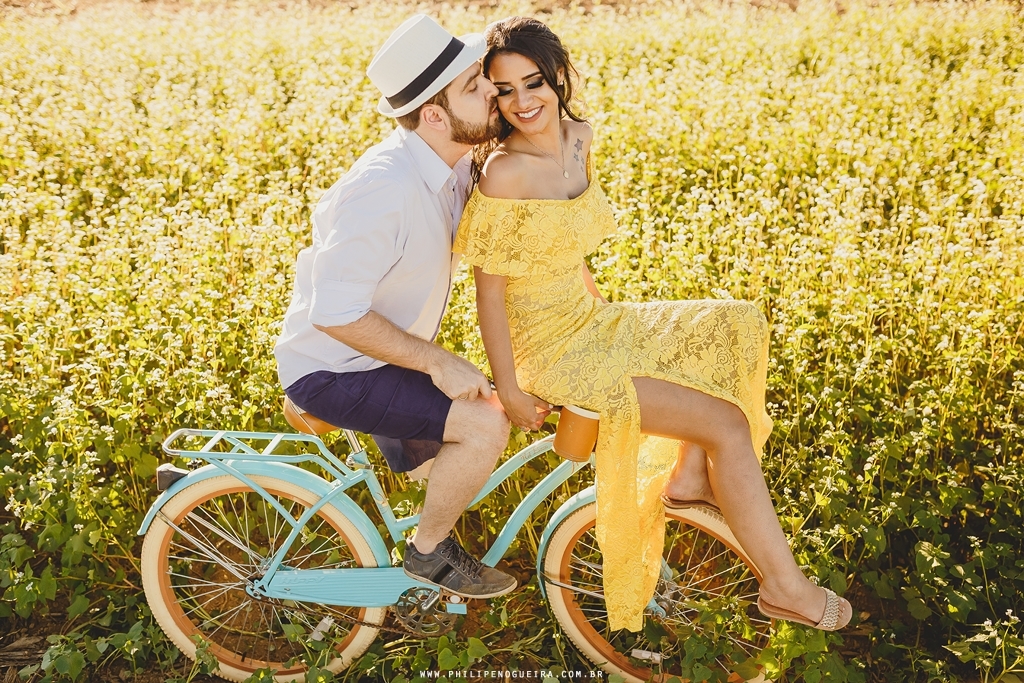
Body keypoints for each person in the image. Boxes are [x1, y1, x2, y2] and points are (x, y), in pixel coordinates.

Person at [454, 16, 853, 632]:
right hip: (552, 350)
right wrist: (509, 386)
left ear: (559, 77)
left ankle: (689, 476)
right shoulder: (504, 173)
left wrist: (614, 315)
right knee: (725, 424)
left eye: (533, 82)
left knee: (736, 323)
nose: (523, 102)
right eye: (504, 91)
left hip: (591, 318)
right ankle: (784, 586)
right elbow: (489, 289)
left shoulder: (579, 139)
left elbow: (565, 246)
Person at [274, 14, 516, 599]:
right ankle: (427, 557)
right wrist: (436, 360)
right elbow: (334, 311)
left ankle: (420, 541)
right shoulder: (385, 188)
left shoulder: (451, 164)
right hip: (335, 369)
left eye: (483, 77)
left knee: (452, 465)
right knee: (485, 425)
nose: (493, 91)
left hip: (376, 358)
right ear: (433, 115)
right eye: (474, 86)